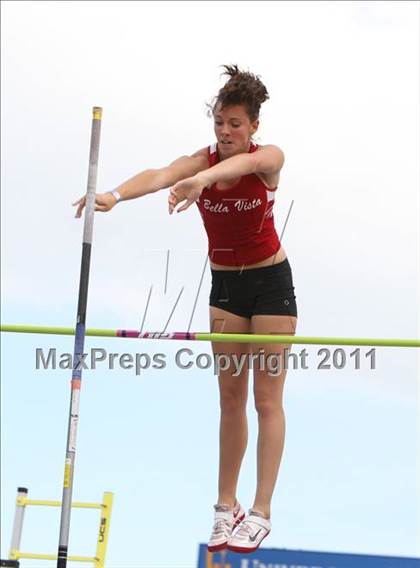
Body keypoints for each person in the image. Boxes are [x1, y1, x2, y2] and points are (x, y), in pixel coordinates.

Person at [74, 64, 297, 555]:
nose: (225, 131)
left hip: (270, 285)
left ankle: (261, 510)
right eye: (220, 122)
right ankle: (226, 506)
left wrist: (203, 181)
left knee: (266, 400)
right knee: (230, 399)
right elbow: (159, 175)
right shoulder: (199, 161)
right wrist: (112, 195)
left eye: (236, 123)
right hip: (226, 288)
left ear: (253, 126)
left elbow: (236, 170)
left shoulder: (268, 158)